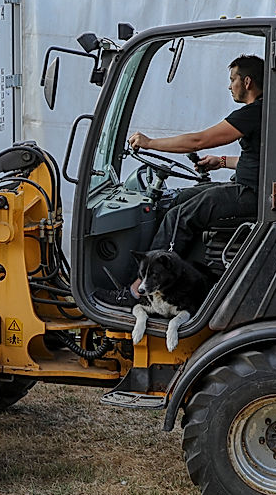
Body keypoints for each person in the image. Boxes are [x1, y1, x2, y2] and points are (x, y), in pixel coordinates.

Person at [94, 54, 265, 307]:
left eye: (233, 80)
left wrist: (150, 143)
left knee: (178, 217)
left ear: (247, 82)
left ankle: (137, 293)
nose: (230, 86)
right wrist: (221, 161)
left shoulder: (254, 112)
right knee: (177, 199)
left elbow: (199, 141)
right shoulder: (268, 111)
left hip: (250, 193)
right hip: (250, 186)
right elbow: (263, 160)